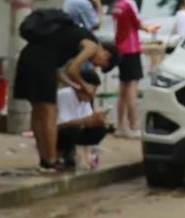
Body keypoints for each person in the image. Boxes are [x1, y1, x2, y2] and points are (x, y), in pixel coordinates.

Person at [12, 17, 118, 172]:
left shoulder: (73, 39)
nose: (95, 65)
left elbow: (59, 73)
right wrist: (84, 85)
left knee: (39, 111)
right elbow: (72, 70)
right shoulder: (92, 45)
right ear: (106, 55)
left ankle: (45, 160)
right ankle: (52, 160)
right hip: (42, 62)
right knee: (49, 112)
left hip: (30, 58)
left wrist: (75, 85)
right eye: (100, 64)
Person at [112, 0, 160, 138]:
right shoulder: (129, 4)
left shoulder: (117, 4)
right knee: (132, 89)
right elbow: (139, 24)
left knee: (122, 90)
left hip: (121, 50)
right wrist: (151, 28)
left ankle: (120, 126)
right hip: (131, 49)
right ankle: (133, 126)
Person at [55, 69, 111, 170]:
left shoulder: (86, 100)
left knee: (99, 130)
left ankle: (84, 155)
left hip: (76, 129)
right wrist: (85, 121)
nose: (93, 94)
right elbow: (60, 124)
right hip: (60, 133)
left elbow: (88, 119)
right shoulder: (65, 95)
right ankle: (63, 153)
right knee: (72, 131)